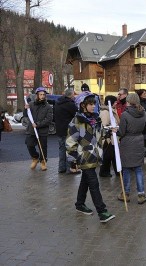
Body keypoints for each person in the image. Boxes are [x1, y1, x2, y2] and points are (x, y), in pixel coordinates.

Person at [66, 91, 115, 223]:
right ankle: (102, 211)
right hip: (84, 157)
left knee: (85, 181)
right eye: (90, 104)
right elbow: (70, 142)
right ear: (82, 105)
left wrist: (110, 131)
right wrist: (72, 161)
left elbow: (100, 133)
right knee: (94, 183)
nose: (94, 106)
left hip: (95, 156)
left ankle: (80, 204)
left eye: (94, 103)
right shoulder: (76, 122)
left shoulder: (95, 119)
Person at [118, 93, 146, 204]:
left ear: (129, 102)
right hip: (139, 141)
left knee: (126, 169)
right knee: (138, 169)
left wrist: (115, 131)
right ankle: (141, 194)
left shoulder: (125, 114)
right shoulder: (143, 113)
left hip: (127, 143)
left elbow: (122, 132)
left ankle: (126, 193)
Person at [25, 87, 53, 171]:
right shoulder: (31, 104)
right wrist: (25, 108)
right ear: (37, 95)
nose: (42, 96)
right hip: (32, 130)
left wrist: (37, 124)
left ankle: (43, 161)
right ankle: (35, 158)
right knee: (29, 144)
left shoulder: (48, 106)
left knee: (43, 148)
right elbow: (26, 114)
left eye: (44, 95)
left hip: (42, 131)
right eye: (40, 94)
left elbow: (48, 120)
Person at [54, 88, 78, 174]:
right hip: (68, 130)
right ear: (71, 95)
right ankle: (69, 169)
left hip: (59, 129)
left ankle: (61, 168)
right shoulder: (70, 104)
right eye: (73, 95)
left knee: (61, 149)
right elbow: (77, 115)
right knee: (70, 149)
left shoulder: (57, 103)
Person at [99, 95, 120, 177]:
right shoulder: (105, 112)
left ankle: (117, 171)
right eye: (115, 102)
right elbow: (104, 125)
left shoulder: (111, 110)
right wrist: (112, 129)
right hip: (109, 138)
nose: (116, 103)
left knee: (113, 155)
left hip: (113, 137)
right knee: (108, 156)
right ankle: (105, 172)